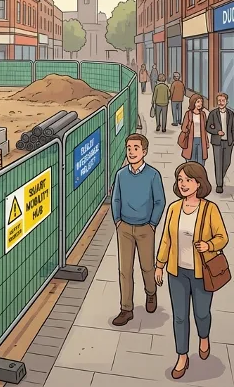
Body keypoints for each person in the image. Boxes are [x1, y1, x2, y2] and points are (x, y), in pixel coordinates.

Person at [155, 162, 229, 380]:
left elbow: (222, 237)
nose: (184, 184)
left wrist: (209, 245)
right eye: (180, 180)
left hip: (201, 272)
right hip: (177, 272)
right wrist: (159, 265)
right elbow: (166, 239)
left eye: (188, 180)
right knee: (180, 317)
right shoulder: (174, 208)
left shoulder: (210, 209)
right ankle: (182, 356)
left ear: (199, 183)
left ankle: (204, 337)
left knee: (201, 313)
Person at [110, 133, 166, 326]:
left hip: (145, 228)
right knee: (124, 270)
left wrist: (152, 224)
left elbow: (160, 201)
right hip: (124, 227)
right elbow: (115, 199)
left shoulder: (153, 175)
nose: (132, 152)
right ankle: (126, 309)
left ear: (144, 151)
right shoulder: (121, 175)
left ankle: (151, 293)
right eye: (129, 148)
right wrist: (117, 220)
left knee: (147, 266)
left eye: (136, 148)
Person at [206, 93, 234, 193]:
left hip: (228, 142)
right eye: (219, 101)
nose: (221, 103)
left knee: (227, 162)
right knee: (218, 163)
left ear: (226, 101)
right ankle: (219, 184)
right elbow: (208, 127)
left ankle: (220, 177)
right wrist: (217, 132)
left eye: (223, 100)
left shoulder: (231, 113)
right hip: (217, 142)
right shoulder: (213, 113)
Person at [180, 94, 209, 166]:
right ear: (193, 103)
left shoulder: (203, 114)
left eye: (201, 102)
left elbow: (205, 129)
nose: (200, 104)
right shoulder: (188, 114)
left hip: (201, 140)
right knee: (191, 160)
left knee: (201, 160)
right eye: (198, 102)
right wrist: (188, 129)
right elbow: (183, 127)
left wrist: (207, 142)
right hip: (191, 140)